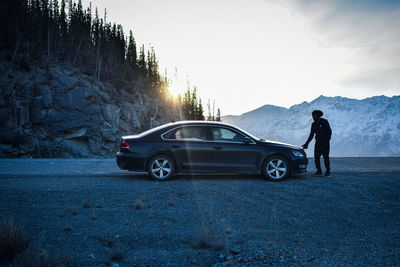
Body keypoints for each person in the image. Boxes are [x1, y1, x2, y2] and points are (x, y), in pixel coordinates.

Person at [302, 110, 332, 177]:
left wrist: (327, 141)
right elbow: (311, 135)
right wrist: (307, 143)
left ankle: (328, 171)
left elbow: (329, 132)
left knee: (326, 157)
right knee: (316, 158)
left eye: (313, 115)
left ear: (317, 116)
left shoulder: (325, 122)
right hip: (318, 143)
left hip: (325, 143)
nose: (312, 117)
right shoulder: (313, 124)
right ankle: (319, 171)